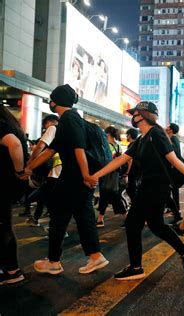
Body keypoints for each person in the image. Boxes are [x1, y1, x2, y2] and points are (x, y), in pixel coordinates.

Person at [91, 101, 184, 280]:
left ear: (144, 115)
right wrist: (96, 175)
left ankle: (136, 268)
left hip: (156, 187)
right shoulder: (141, 139)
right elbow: (120, 160)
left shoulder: (157, 134)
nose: (132, 117)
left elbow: (173, 159)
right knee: (156, 225)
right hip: (149, 187)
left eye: (135, 113)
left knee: (133, 224)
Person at [26, 84, 109, 275]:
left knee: (59, 216)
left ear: (55, 101)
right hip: (76, 178)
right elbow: (51, 150)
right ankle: (95, 256)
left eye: (51, 99)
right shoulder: (68, 120)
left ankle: (53, 261)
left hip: (73, 177)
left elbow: (78, 148)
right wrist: (29, 168)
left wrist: (86, 174)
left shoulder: (69, 119)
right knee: (83, 215)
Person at [0, 105, 28, 285]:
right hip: (7, 184)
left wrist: (19, 171)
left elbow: (14, 144)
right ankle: (10, 268)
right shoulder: (10, 124)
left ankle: (12, 270)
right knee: (4, 225)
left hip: (2, 183)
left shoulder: (1, 126)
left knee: (2, 227)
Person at [26, 114, 62, 227]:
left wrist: (30, 163)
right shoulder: (65, 131)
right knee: (51, 198)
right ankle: (55, 226)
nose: (45, 129)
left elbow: (40, 146)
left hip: (56, 171)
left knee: (48, 198)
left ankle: (57, 227)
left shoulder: (53, 128)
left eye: (45, 126)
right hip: (61, 171)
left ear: (49, 123)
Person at [96, 126, 127, 227]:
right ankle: (100, 219)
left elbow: (105, 160)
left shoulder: (107, 146)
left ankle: (127, 217)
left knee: (110, 195)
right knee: (107, 195)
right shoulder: (118, 145)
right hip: (114, 174)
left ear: (108, 134)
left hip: (107, 173)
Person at [165, 123, 183, 224]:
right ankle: (173, 209)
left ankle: (177, 211)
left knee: (173, 189)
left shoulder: (173, 139)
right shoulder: (172, 138)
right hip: (173, 168)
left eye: (168, 127)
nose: (166, 128)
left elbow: (175, 153)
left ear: (171, 130)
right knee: (172, 189)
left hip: (174, 169)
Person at [124, 128, 139, 202]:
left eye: (127, 135)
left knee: (130, 190)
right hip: (138, 170)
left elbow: (130, 160)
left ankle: (136, 207)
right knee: (134, 189)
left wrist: (127, 172)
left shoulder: (131, 145)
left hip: (133, 170)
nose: (126, 137)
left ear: (129, 135)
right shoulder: (138, 144)